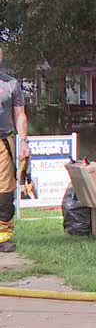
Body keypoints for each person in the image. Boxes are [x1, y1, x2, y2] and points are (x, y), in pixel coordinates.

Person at [0, 71, 30, 254]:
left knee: (4, 191)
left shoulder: (11, 84)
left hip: (3, 142)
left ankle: (2, 237)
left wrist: (24, 142)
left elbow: (20, 115)